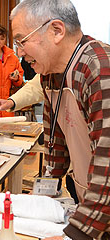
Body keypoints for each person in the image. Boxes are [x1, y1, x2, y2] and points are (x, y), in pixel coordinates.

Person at [8, 0, 110, 239]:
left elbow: (107, 160)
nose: (20, 52)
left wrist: (76, 234)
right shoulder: (50, 75)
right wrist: (42, 196)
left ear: (56, 30)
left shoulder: (98, 67)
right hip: (94, 200)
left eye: (22, 41)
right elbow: (56, 146)